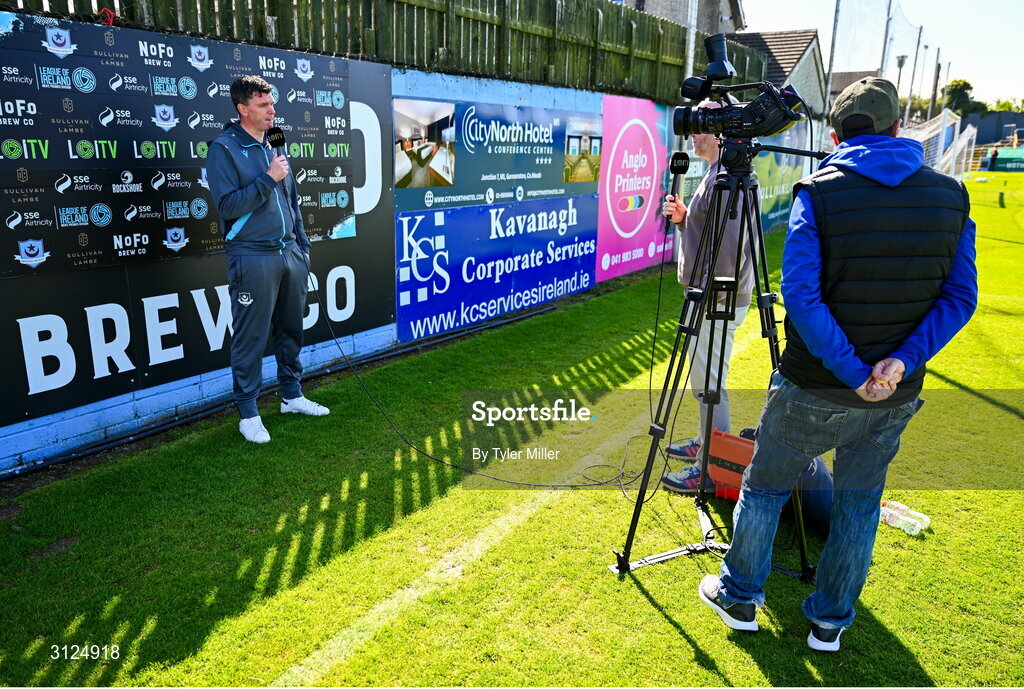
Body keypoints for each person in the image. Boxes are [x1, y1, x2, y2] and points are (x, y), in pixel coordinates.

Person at [697, 78, 977, 651]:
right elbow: (959, 298)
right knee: (857, 504)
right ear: (899, 129)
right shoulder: (951, 196)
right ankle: (829, 621)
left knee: (767, 488)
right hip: (893, 394)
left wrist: (855, 371)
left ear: (834, 134)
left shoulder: (819, 191)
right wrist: (897, 364)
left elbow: (800, 297)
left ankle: (740, 597)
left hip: (815, 385)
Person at [207, 75, 330, 444]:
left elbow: (291, 199)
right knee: (251, 336)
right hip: (252, 256)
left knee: (291, 329)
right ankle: (248, 412)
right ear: (243, 109)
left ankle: (291, 396)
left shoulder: (275, 141)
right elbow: (228, 206)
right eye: (264, 105)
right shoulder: (223, 148)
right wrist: (267, 178)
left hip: (289, 253)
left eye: (272, 103)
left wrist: (302, 246)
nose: (272, 111)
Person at [659, 98, 755, 493]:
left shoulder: (727, 177)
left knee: (709, 382)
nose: (692, 131)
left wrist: (709, 296)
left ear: (719, 131)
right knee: (705, 378)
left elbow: (730, 251)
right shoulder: (718, 171)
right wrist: (686, 220)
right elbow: (711, 238)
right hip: (709, 293)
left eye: (700, 123)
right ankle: (707, 441)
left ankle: (710, 468)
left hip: (716, 298)